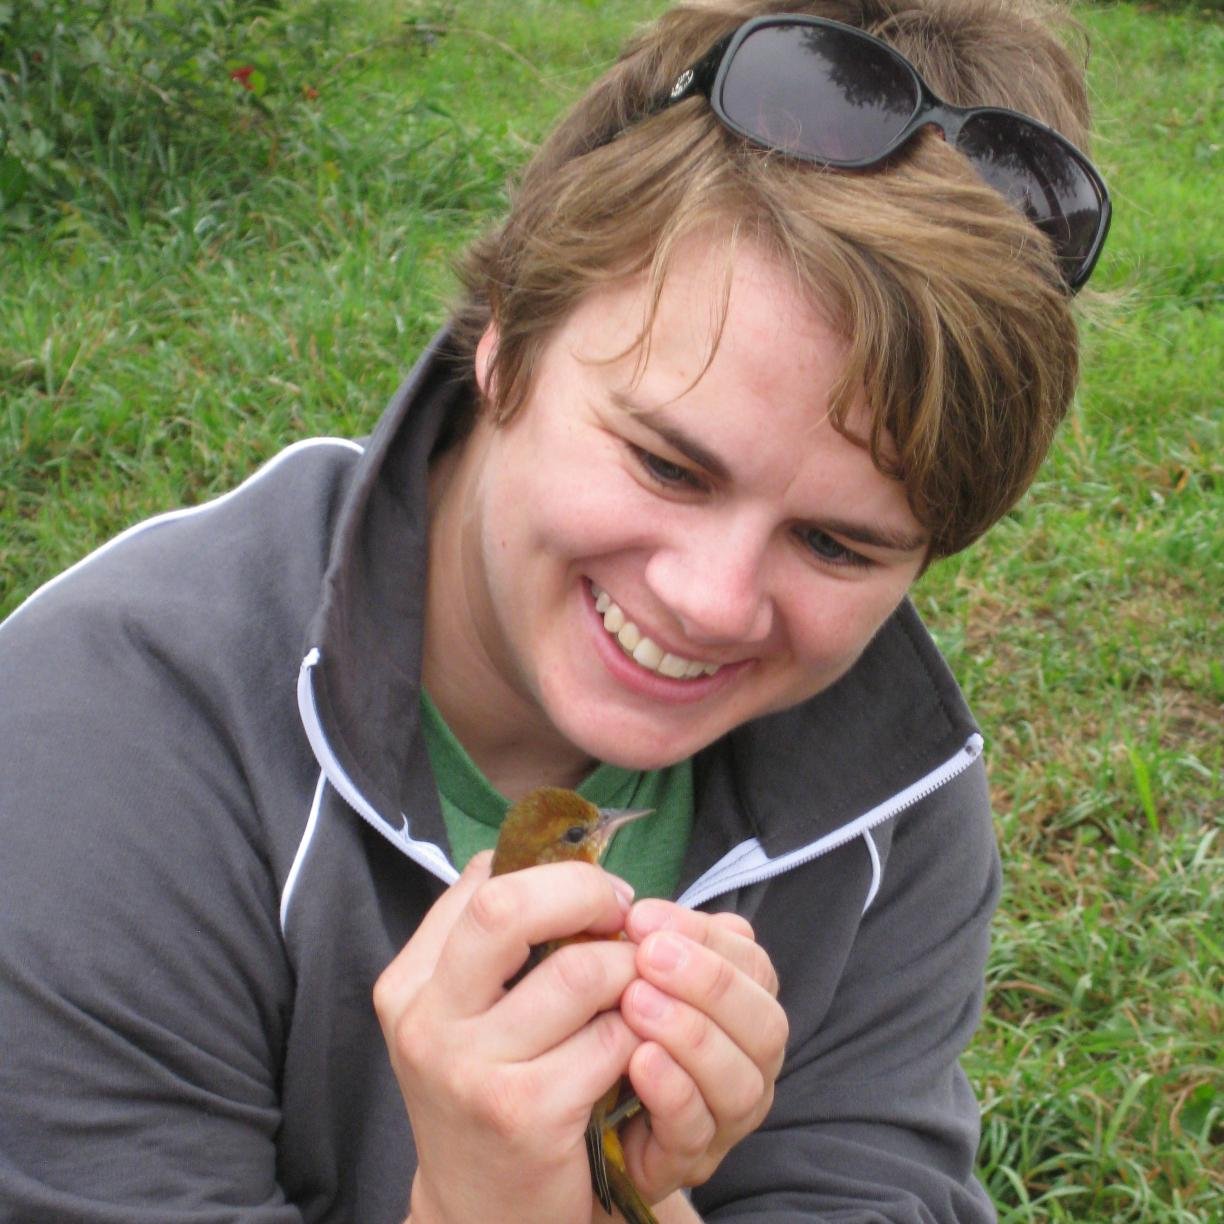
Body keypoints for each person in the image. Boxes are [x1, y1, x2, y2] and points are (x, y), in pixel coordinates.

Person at [0, 0, 1111, 1219]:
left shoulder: (890, 797)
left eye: (839, 543)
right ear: (508, 341)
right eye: (667, 465)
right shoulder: (91, 755)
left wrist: (628, 1200)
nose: (710, 599)